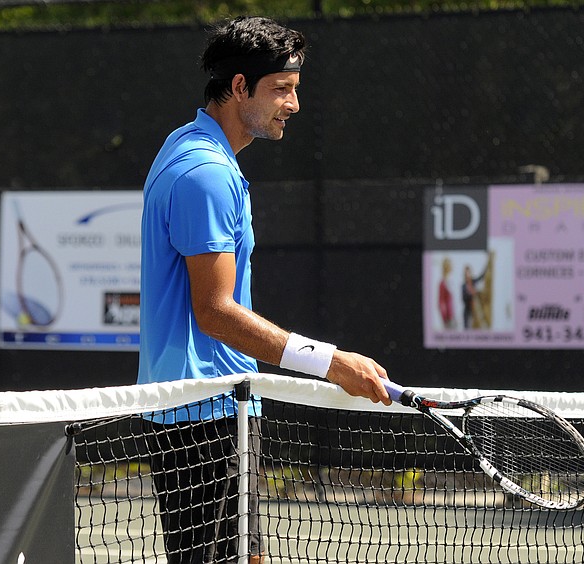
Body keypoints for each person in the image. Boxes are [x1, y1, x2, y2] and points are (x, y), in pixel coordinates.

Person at [138, 16, 391, 564]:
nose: (293, 104)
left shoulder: (187, 145)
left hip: (214, 404)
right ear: (237, 88)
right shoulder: (205, 173)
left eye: (294, 89)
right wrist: (329, 362)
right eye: (281, 89)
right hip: (200, 414)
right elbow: (214, 313)